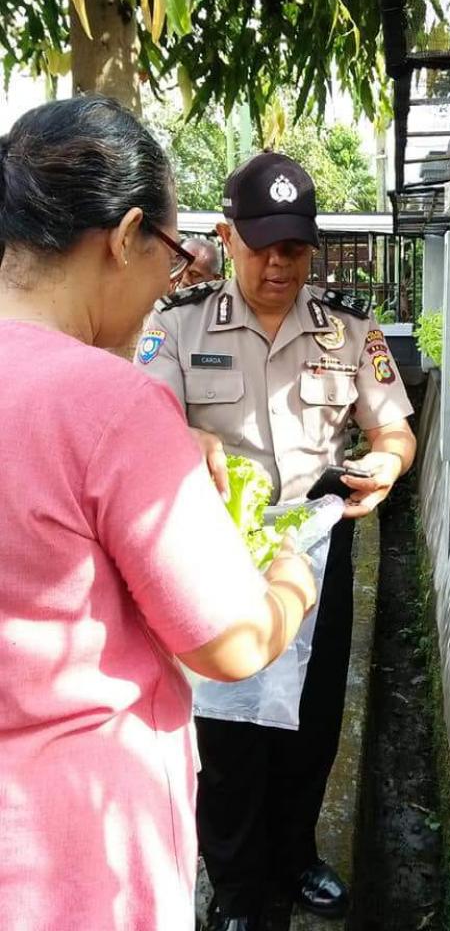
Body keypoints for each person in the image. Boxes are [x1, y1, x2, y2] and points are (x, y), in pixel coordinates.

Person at [0, 97, 317, 931]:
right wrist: (290, 583)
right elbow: (233, 642)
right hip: (77, 854)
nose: (166, 284)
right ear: (124, 234)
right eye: (172, 257)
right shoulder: (110, 397)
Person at [134, 151, 417, 931]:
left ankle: (295, 856)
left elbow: (392, 425)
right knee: (224, 731)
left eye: (295, 246)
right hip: (214, 550)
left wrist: (389, 461)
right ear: (228, 238)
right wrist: (184, 437)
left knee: (312, 721)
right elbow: (145, 420)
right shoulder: (176, 328)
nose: (281, 263)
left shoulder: (350, 330)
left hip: (317, 547)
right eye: (263, 246)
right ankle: (234, 887)